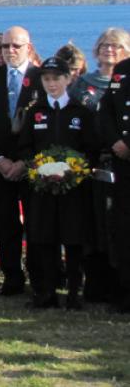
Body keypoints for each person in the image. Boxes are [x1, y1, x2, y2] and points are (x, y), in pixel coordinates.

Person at [16, 56, 98, 309]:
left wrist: (73, 171)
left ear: (68, 79)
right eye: (46, 79)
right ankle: (47, 293)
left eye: (56, 79)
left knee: (73, 241)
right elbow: (25, 147)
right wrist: (39, 167)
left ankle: (74, 293)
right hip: (43, 188)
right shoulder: (36, 112)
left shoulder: (80, 112)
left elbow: (91, 149)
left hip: (73, 189)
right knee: (45, 240)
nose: (51, 84)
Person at [0, 26, 45, 296]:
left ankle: (40, 279)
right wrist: (0, 160)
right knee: (5, 226)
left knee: (36, 224)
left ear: (28, 47)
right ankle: (12, 279)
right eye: (4, 47)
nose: (10, 51)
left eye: (16, 46)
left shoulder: (41, 78)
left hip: (33, 166)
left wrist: (24, 162)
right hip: (0, 168)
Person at [67, 29, 129, 302]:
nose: (109, 50)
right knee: (96, 226)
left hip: (121, 159)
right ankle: (97, 285)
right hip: (91, 159)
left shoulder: (123, 76)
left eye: (116, 46)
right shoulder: (83, 83)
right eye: (105, 45)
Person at [100, 53, 130, 312]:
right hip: (123, 165)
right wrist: (115, 141)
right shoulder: (122, 70)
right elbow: (107, 110)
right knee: (123, 229)